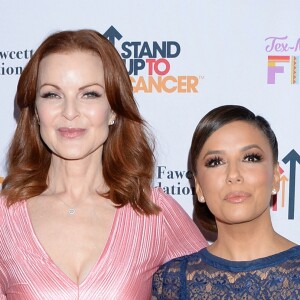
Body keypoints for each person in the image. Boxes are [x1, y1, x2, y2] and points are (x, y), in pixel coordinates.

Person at [0, 29, 208, 299]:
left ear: (113, 109)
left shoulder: (153, 212)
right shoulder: (5, 218)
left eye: (90, 95)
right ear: (36, 112)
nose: (70, 112)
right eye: (52, 95)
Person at [152, 105, 300, 299]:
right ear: (198, 187)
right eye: (215, 162)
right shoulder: (171, 282)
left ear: (275, 177)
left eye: (250, 158)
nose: (233, 175)